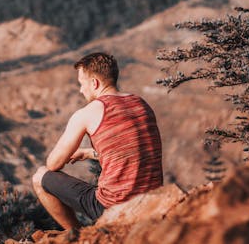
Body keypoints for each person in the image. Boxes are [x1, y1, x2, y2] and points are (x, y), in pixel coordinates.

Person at [32, 52, 163, 230]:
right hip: (152, 202)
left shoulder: (87, 113)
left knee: (40, 176)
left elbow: (53, 164)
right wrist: (88, 153)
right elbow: (130, 153)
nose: (80, 90)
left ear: (94, 83)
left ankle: (76, 235)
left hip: (113, 207)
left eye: (81, 83)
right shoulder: (141, 104)